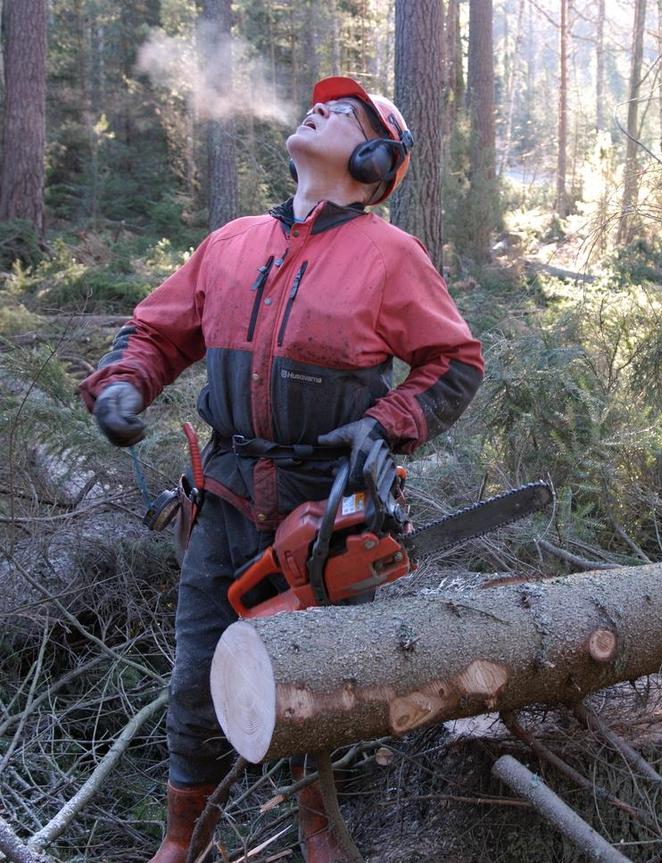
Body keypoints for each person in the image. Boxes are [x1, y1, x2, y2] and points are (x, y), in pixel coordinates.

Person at [79, 76, 484, 863]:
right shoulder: (232, 243)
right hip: (227, 499)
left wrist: (386, 423)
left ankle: (319, 827)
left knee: (326, 686)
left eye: (347, 112)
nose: (322, 107)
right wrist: (124, 384)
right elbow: (156, 333)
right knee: (198, 678)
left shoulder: (389, 255)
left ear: (375, 156)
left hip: (325, 506)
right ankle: (182, 837)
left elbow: (454, 362)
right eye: (320, 103)